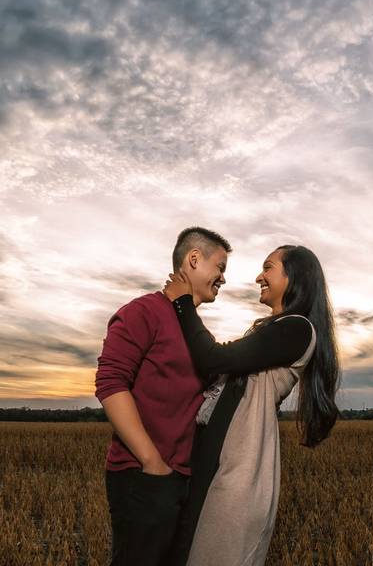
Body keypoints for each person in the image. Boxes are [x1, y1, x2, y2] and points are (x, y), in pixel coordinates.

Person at [162, 244, 341, 566]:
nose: (259, 276)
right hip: (224, 458)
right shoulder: (276, 329)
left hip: (240, 464)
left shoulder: (297, 328)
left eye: (268, 267)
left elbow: (214, 358)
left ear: (295, 276)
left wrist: (183, 303)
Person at [94, 227, 231, 566]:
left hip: (181, 480)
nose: (223, 279)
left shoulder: (194, 328)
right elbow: (110, 383)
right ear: (194, 259)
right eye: (221, 267)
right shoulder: (144, 311)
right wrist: (152, 463)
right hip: (143, 476)